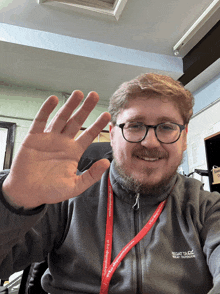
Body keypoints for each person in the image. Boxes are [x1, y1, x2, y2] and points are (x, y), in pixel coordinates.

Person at [0, 73, 220, 294]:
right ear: (113, 136)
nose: (150, 142)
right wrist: (13, 202)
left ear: (184, 138)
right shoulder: (64, 197)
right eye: (135, 125)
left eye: (166, 127)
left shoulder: (207, 208)